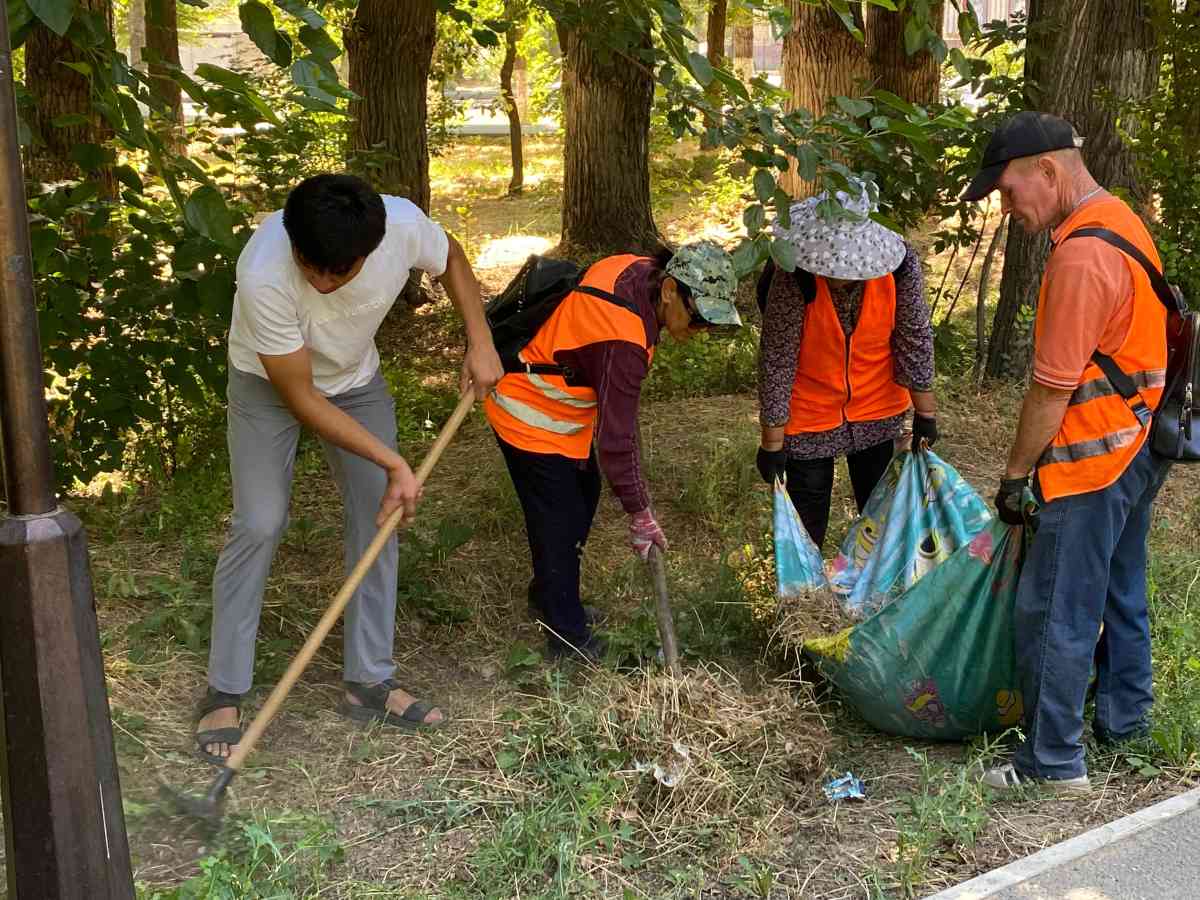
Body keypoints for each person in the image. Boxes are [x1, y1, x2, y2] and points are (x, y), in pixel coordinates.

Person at [195, 174, 504, 764]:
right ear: (293, 241)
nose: (323, 281)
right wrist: (393, 460)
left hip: (356, 381)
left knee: (379, 513)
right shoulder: (262, 271)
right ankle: (226, 686)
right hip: (270, 386)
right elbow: (303, 399)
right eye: (313, 267)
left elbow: (454, 259)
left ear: (369, 250)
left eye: (340, 272)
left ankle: (368, 682)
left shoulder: (402, 226)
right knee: (259, 521)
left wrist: (480, 339)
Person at [961, 111, 1172, 792]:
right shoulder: (1120, 219)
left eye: (1008, 191)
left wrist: (1015, 475)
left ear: (1047, 172)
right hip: (1139, 444)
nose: (1006, 207)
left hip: (1091, 458)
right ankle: (1126, 724)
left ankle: (1051, 762)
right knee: (1119, 588)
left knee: (1054, 606)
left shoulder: (1081, 255)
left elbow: (1051, 391)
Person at [484, 242, 741, 662]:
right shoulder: (624, 339)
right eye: (698, 319)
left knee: (582, 496)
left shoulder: (636, 269)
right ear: (671, 290)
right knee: (559, 518)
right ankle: (567, 639)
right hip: (529, 410)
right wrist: (640, 512)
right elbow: (617, 440)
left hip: (560, 411)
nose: (700, 331)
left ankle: (551, 595)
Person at [754, 183, 938, 550]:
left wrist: (925, 413)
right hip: (809, 412)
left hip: (877, 407)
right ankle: (805, 600)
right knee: (807, 513)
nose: (840, 275)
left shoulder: (900, 266)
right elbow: (778, 357)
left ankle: (876, 594)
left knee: (881, 513)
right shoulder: (792, 272)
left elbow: (913, 338)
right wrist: (772, 443)